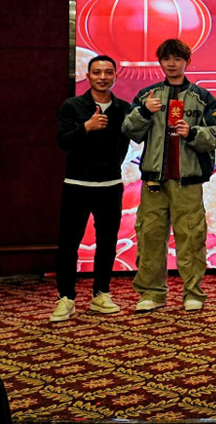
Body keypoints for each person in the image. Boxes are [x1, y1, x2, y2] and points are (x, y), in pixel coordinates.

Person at [122, 39, 216, 312]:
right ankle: (152, 294)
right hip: (153, 181)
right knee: (150, 236)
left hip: (187, 181)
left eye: (177, 59)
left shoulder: (202, 97)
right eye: (167, 59)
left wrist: (192, 133)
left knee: (191, 237)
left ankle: (193, 293)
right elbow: (129, 129)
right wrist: (145, 111)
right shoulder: (148, 96)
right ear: (160, 62)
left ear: (186, 62)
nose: (172, 64)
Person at [51, 55, 131, 322]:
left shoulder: (123, 108)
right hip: (77, 184)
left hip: (110, 185)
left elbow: (134, 137)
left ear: (115, 76)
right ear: (88, 76)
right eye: (97, 72)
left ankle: (101, 294)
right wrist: (86, 127)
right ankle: (66, 297)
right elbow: (63, 142)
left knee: (107, 243)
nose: (102, 77)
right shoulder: (72, 106)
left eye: (108, 72)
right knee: (68, 244)